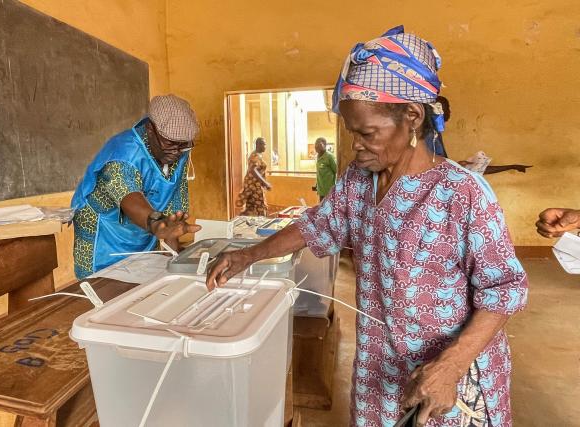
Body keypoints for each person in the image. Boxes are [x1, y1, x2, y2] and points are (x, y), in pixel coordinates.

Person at [208, 26, 528, 427]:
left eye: (367, 133)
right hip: (381, 367)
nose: (356, 146)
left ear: (412, 117)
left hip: (447, 379)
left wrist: (452, 364)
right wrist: (248, 255)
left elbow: (504, 290)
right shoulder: (359, 181)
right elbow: (318, 225)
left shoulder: (461, 193)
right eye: (351, 133)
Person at [71, 95, 201, 278]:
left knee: (145, 282)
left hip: (146, 228)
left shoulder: (178, 150)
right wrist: (158, 224)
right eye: (170, 143)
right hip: (104, 233)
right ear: (150, 129)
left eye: (184, 145)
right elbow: (129, 198)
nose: (177, 152)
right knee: (104, 288)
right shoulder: (123, 153)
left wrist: (173, 259)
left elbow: (173, 212)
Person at [434, 96, 531, 175]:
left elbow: (440, 163)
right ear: (438, 111)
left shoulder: (435, 133)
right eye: (447, 108)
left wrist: (456, 165)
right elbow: (435, 166)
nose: (450, 112)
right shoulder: (430, 135)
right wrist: (455, 167)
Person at [236, 137, 272, 216]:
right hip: (254, 186)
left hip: (253, 186)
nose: (265, 146)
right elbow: (253, 170)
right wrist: (265, 183)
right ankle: (262, 226)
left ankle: (242, 221)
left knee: (251, 208)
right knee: (261, 208)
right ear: (258, 144)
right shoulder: (255, 156)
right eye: (264, 144)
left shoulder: (258, 155)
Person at [312, 137, 338, 201]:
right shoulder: (317, 157)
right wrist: (317, 185)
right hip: (321, 190)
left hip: (329, 190)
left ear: (324, 145)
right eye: (315, 145)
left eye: (319, 145)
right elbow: (320, 172)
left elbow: (337, 170)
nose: (316, 147)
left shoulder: (329, 157)